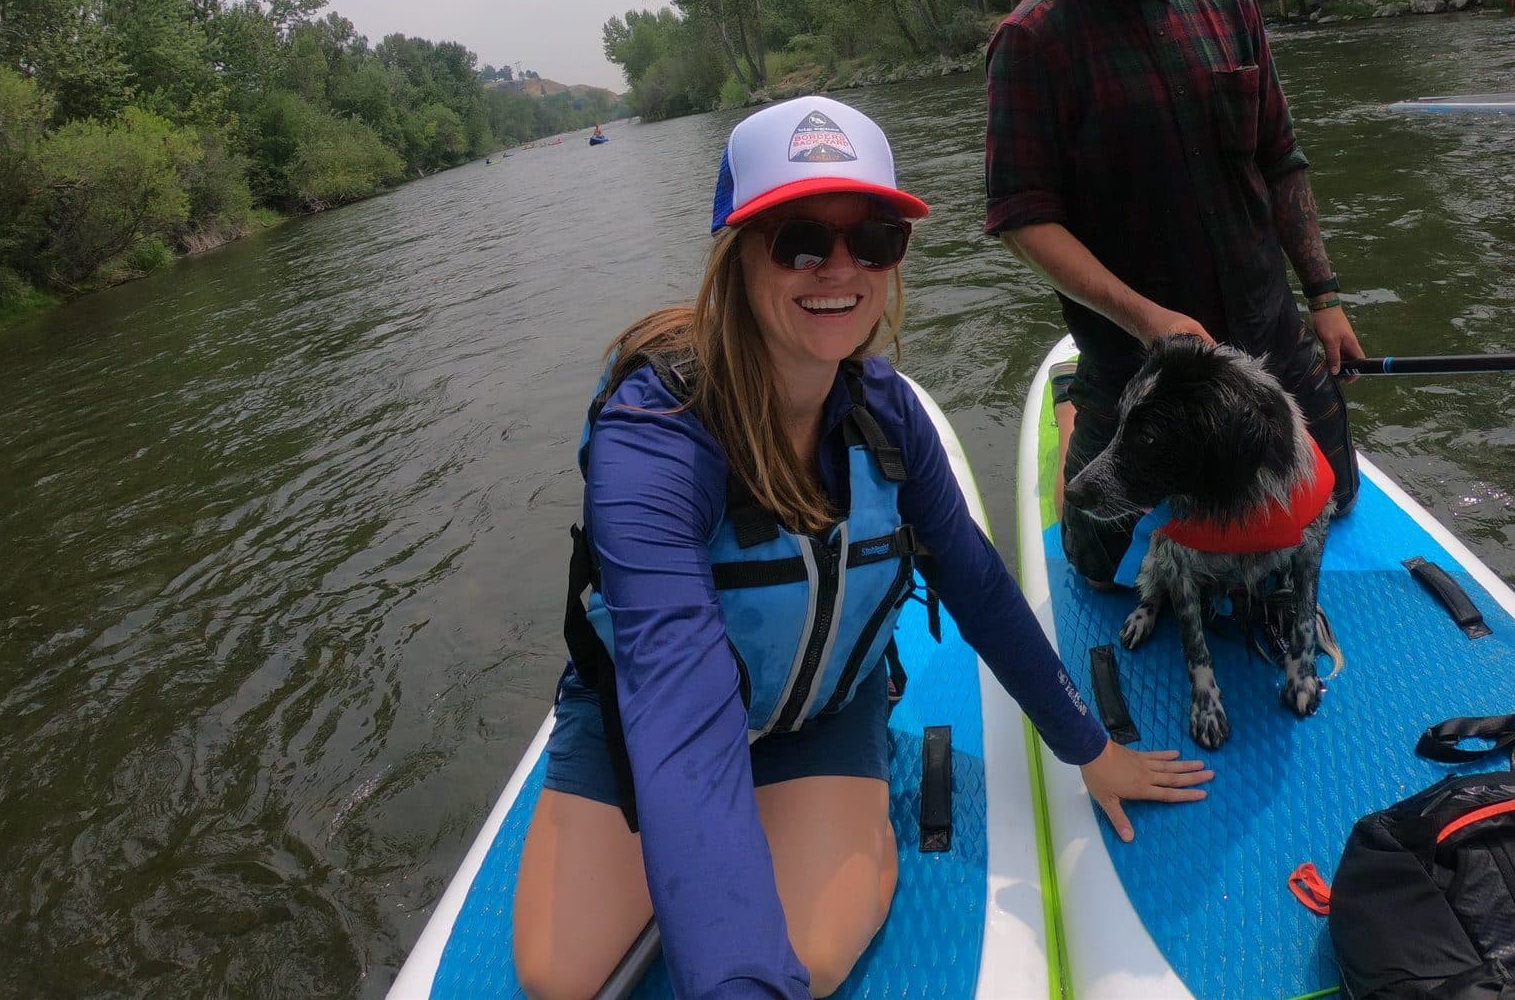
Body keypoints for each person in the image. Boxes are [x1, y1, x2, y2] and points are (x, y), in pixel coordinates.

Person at [512, 94, 1211, 1000]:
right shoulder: (654, 436)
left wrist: (1087, 745)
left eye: (874, 237)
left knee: (813, 960)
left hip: (819, 712)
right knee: (559, 978)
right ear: (737, 255)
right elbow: (678, 704)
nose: (838, 267)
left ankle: (805, 811)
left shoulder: (890, 419)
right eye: (799, 237)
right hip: (641, 724)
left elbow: (978, 588)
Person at [983, 0, 1365, 587]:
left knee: (1341, 499)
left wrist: (1324, 297)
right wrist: (1145, 320)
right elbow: (1023, 217)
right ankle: (1074, 399)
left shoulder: (1231, 5)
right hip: (1136, 362)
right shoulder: (1030, 41)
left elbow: (1281, 159)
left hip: (1267, 339)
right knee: (1096, 564)